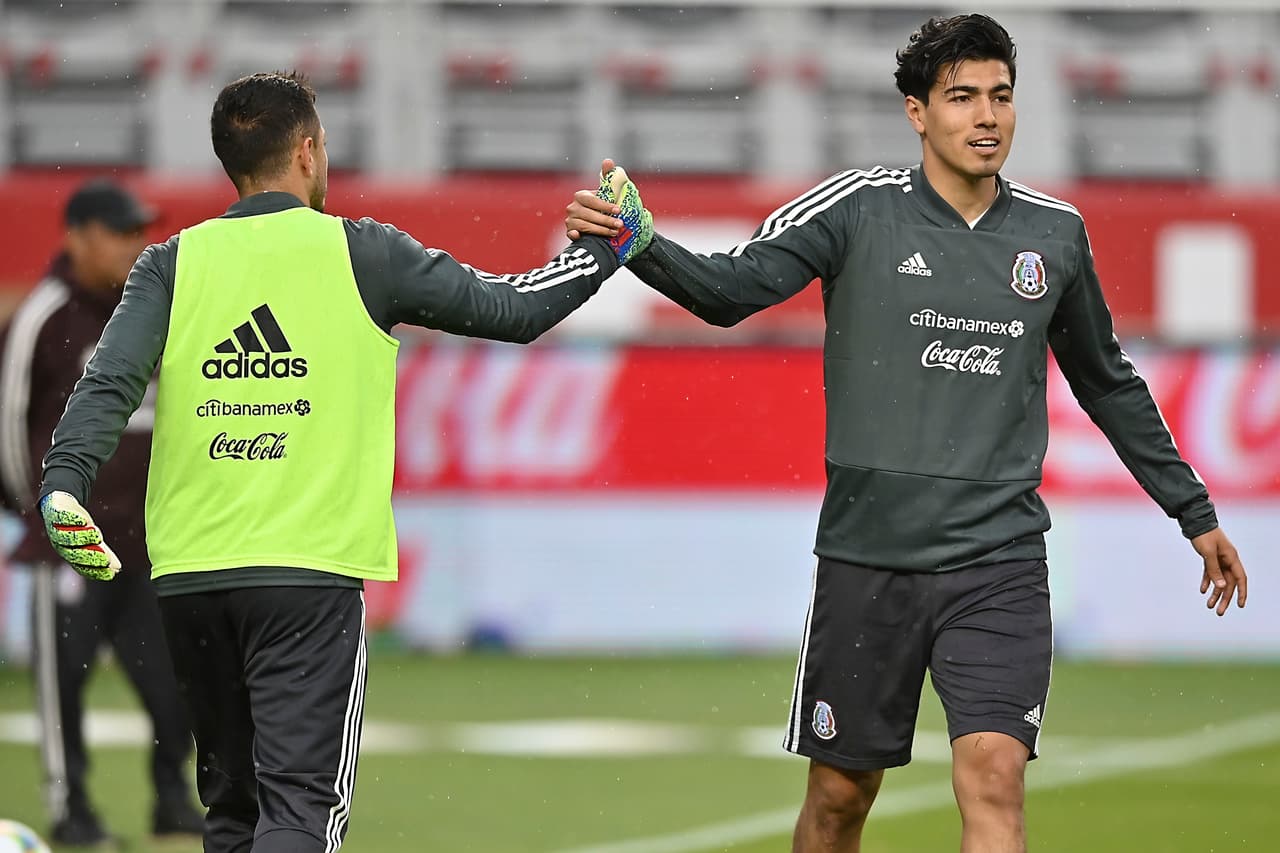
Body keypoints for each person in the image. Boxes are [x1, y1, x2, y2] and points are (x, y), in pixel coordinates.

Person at [564, 13, 1248, 853]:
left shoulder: (1054, 234)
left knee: (995, 777)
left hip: (998, 561)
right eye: (962, 98)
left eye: (1000, 96)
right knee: (839, 800)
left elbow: (1109, 382)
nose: (986, 116)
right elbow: (730, 291)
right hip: (868, 560)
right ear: (918, 113)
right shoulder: (857, 210)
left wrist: (1195, 511)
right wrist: (643, 244)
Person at [37, 71, 623, 853]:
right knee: (301, 815)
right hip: (305, 577)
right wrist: (604, 250)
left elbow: (107, 381)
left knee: (234, 817)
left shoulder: (172, 263)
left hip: (190, 579)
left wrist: (62, 482)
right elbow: (513, 308)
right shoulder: (363, 251)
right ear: (308, 150)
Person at [0, 179, 204, 848]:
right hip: (69, 541)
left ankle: (172, 797)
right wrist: (36, 512)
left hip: (149, 541)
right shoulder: (45, 315)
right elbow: (7, 418)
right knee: (63, 689)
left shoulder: (150, 309)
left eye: (138, 231)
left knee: (176, 687)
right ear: (78, 236)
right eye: (120, 232)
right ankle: (71, 809)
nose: (133, 245)